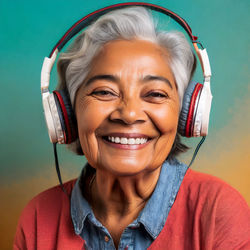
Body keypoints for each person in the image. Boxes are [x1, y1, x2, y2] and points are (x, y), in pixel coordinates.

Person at [14, 6, 250, 250]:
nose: (129, 114)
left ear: (185, 114)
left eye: (155, 94)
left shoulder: (218, 211)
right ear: (70, 113)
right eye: (104, 92)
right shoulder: (38, 218)